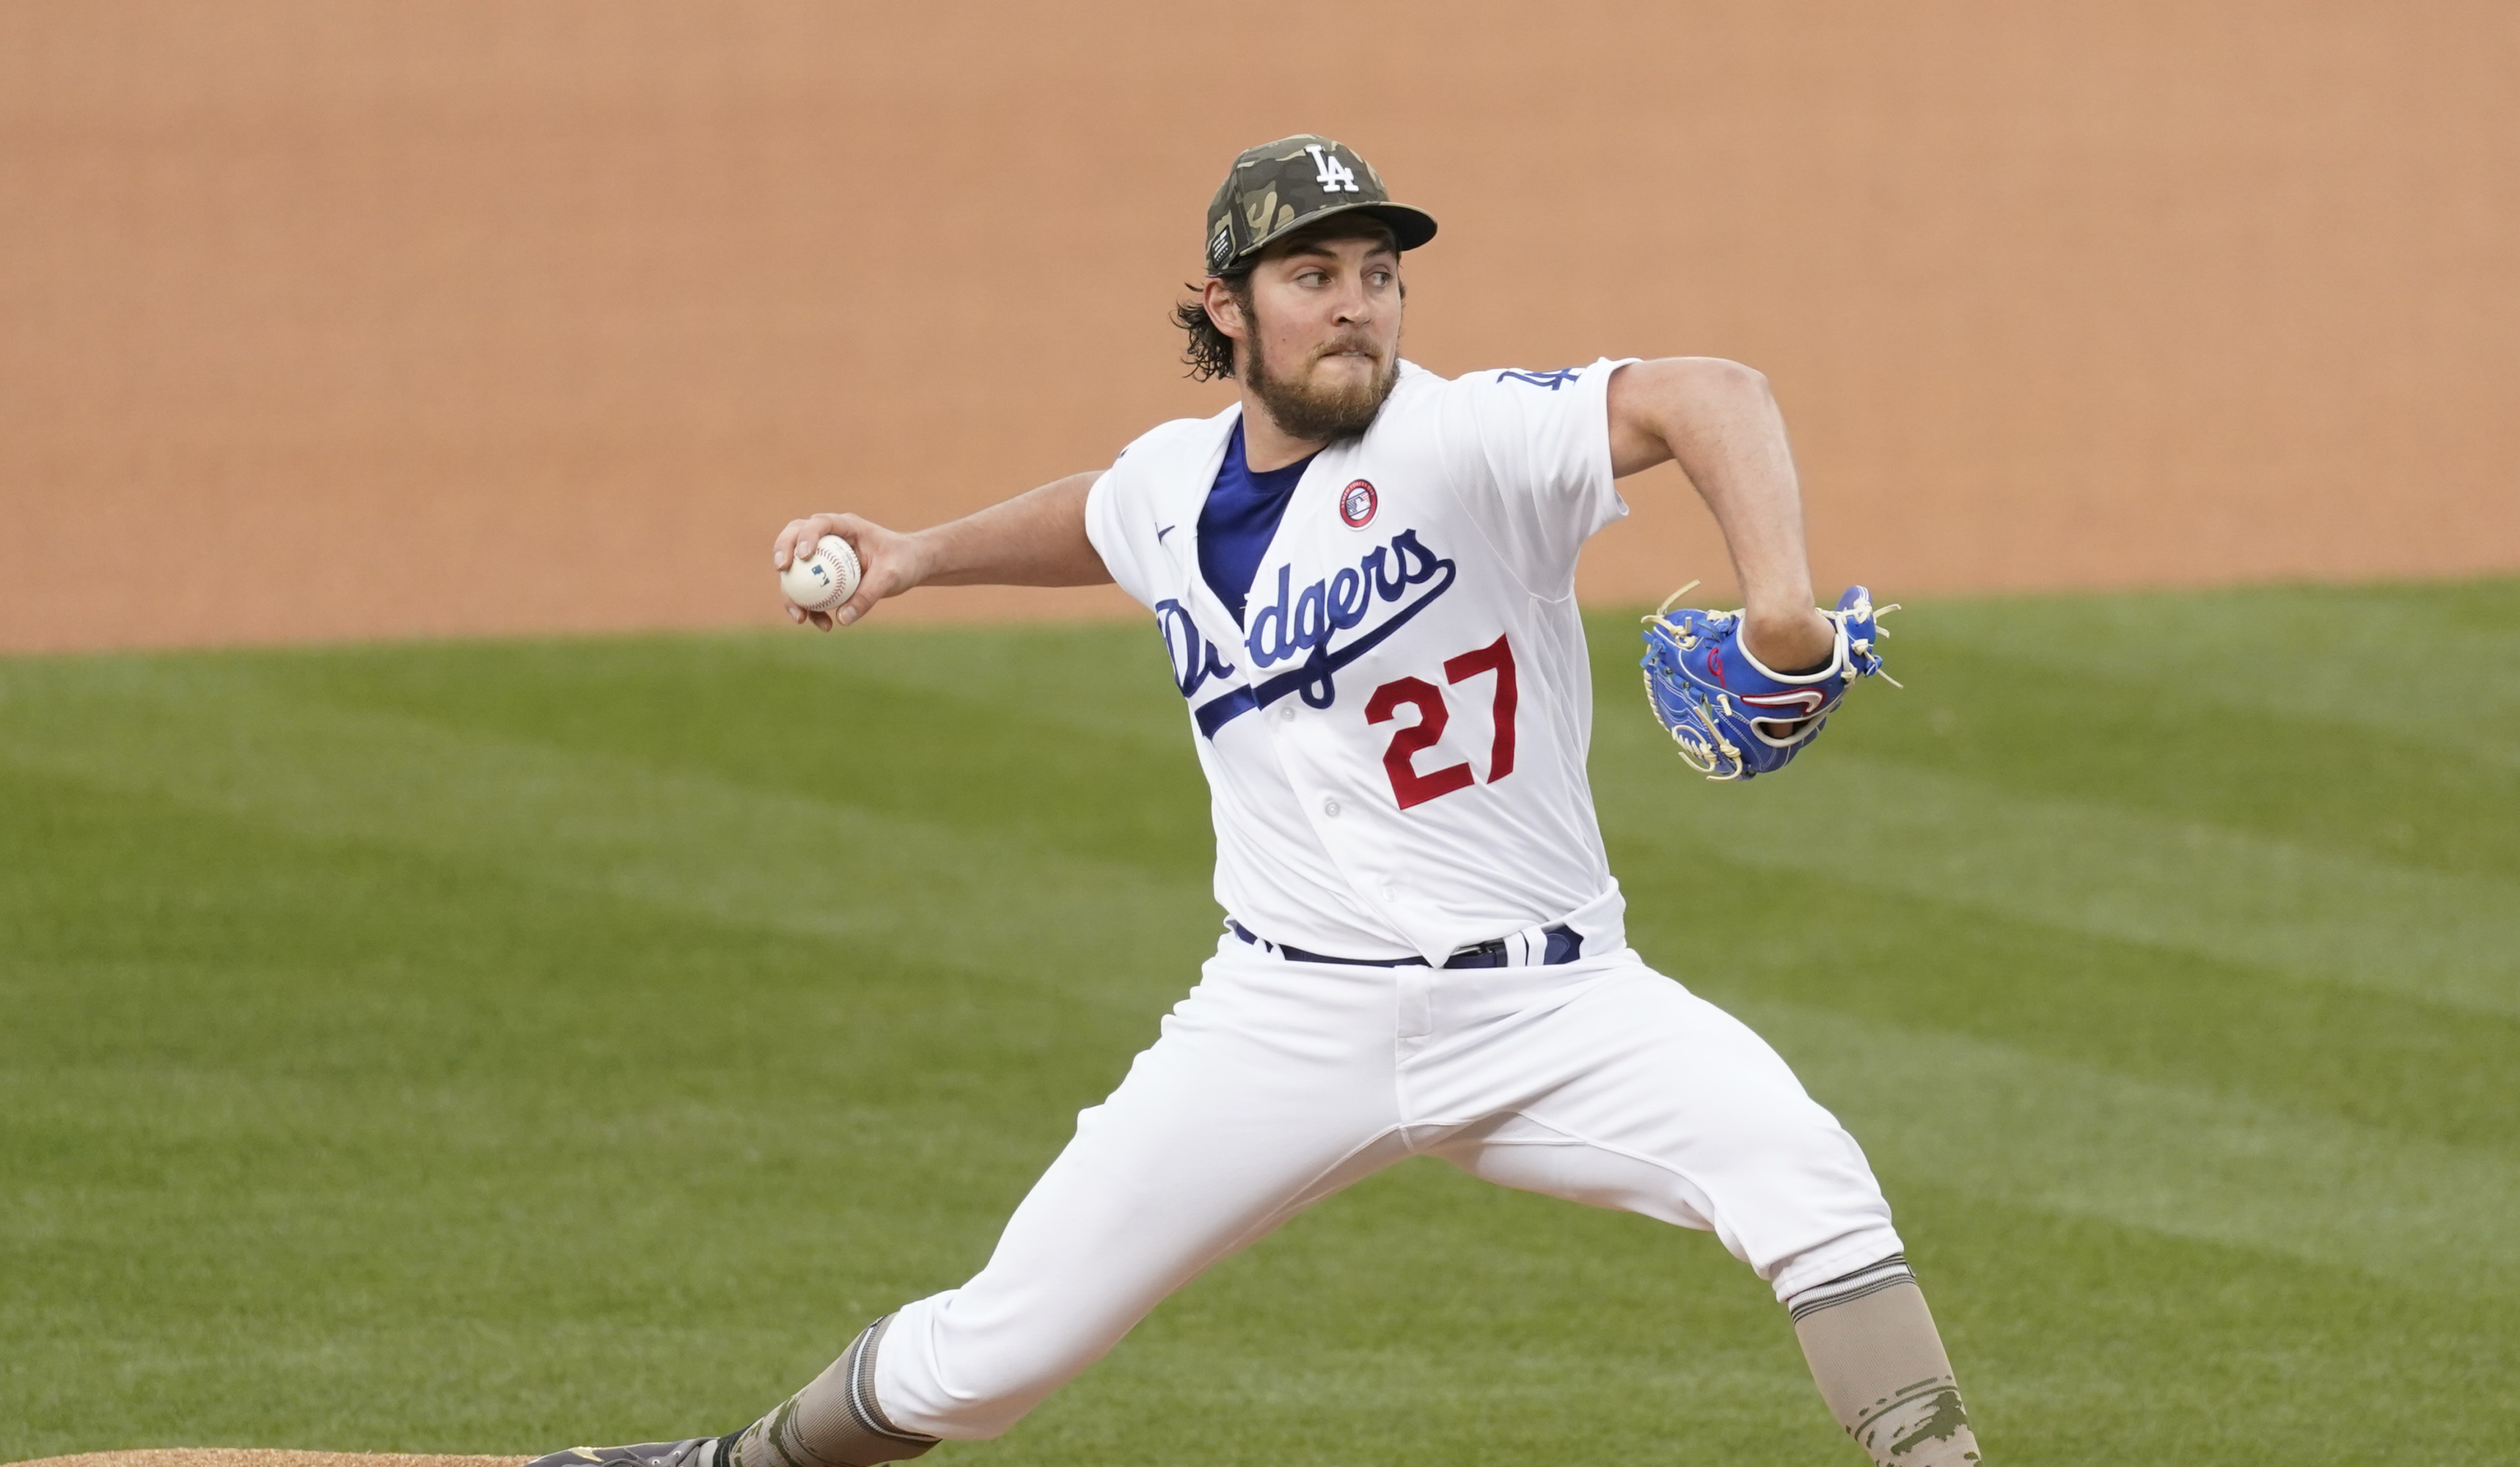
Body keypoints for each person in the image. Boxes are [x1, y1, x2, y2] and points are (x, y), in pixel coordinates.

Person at [527, 134, 1980, 1467]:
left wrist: (1779, 608)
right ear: (1226, 307)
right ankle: (729, 1464)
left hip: (1557, 1008)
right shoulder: (1171, 483)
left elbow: (1710, 391)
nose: (1355, 305)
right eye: (1311, 274)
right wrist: (910, 554)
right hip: (1281, 1020)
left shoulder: (1471, 440)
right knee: (995, 1353)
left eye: (1377, 274)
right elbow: (1097, 514)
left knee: (1808, 1180)